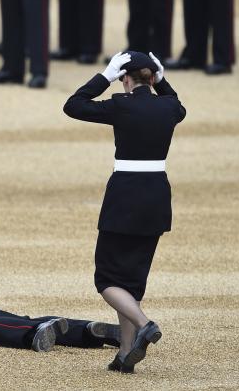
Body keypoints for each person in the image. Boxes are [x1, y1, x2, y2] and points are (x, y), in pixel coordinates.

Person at [63, 51, 186, 373]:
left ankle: (145, 324)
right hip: (157, 194)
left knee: (106, 279)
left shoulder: (122, 104)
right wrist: (160, 78)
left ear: (126, 78)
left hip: (125, 194)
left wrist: (104, 76)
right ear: (153, 77)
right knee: (130, 282)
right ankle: (125, 355)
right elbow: (175, 100)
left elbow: (73, 105)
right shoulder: (169, 106)